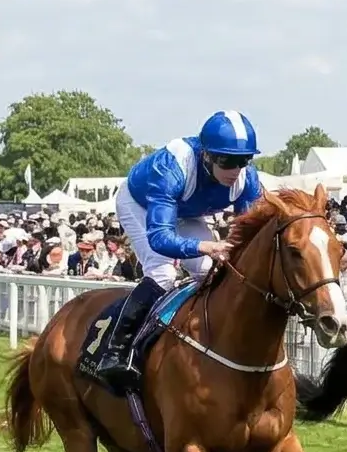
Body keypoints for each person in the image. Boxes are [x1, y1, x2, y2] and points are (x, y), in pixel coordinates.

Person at [83, 110, 269, 393]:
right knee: (163, 273)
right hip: (141, 205)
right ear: (206, 155)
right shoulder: (171, 167)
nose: (235, 170)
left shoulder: (248, 181)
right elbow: (159, 238)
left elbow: (250, 236)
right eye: (227, 160)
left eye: (244, 161)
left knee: (211, 271)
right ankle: (114, 352)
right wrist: (205, 245)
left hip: (187, 211)